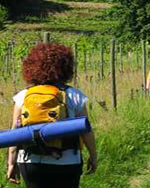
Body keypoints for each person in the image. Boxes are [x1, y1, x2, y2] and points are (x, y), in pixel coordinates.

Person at [7, 43, 97, 188]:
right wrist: (93, 156)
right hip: (67, 161)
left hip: (30, 160)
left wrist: (11, 162)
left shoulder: (23, 96)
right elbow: (86, 130)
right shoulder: (74, 96)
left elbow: (15, 132)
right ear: (66, 67)